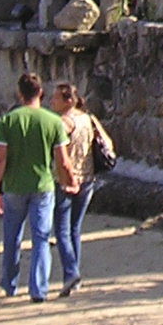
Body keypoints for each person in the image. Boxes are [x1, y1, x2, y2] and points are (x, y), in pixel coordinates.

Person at [0, 72, 72, 303]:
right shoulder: (53, 121)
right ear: (41, 93)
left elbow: (0, 158)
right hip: (43, 186)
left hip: (14, 185)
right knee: (41, 238)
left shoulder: (9, 120)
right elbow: (62, 160)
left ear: (19, 93)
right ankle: (38, 288)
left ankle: (10, 284)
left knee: (12, 238)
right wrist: (69, 181)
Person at [50, 82, 113, 298]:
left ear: (68, 100)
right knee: (74, 228)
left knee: (62, 230)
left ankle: (71, 272)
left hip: (66, 180)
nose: (52, 101)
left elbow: (58, 153)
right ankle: (74, 274)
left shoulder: (63, 123)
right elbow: (108, 143)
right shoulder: (88, 118)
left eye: (56, 98)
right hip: (88, 179)